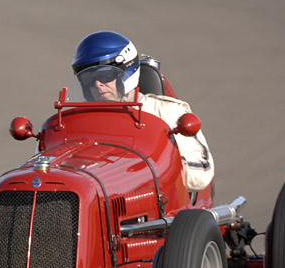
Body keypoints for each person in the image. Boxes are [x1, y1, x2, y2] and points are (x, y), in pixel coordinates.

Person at [71, 30, 215, 193]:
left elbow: (202, 172)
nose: (97, 84)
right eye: (89, 79)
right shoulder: (74, 121)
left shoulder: (166, 111)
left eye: (105, 76)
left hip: (159, 206)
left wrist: (147, 169)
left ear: (126, 71)